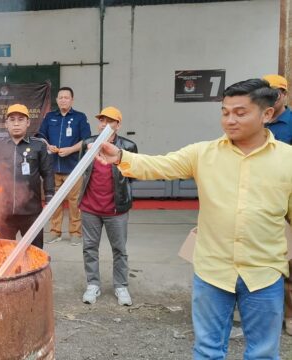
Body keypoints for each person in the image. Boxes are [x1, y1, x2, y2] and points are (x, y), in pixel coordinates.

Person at [94, 79, 291, 359]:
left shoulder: (287, 160)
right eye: (225, 112)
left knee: (264, 353)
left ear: (267, 114)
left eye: (240, 112)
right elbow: (160, 164)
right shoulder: (203, 153)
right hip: (212, 272)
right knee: (207, 351)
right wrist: (121, 157)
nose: (230, 120)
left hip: (264, 274)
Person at [78, 106, 137, 306]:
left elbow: (133, 175)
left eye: (110, 121)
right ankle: (93, 285)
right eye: (102, 120)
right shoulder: (88, 144)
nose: (104, 124)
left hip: (116, 209)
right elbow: (82, 171)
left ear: (118, 125)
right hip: (90, 208)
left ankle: (121, 286)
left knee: (119, 249)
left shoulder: (128, 146)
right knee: (89, 248)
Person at [0, 104, 54, 249]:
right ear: (6, 124)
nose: (16, 123)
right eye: (12, 120)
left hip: (31, 212)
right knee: (4, 254)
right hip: (4, 213)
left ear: (28, 122)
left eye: (21, 119)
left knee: (34, 253)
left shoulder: (39, 146)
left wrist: (49, 198)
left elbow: (48, 173)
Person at [37, 87, 91, 246]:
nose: (63, 100)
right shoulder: (49, 117)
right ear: (57, 100)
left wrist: (71, 150)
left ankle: (75, 232)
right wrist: (49, 146)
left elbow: (86, 141)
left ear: (72, 100)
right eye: (60, 97)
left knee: (75, 203)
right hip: (53, 168)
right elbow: (41, 136)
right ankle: (55, 232)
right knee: (54, 203)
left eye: (66, 97)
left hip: (74, 168)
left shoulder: (80, 118)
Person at [262, 74, 292, 337]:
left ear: (284, 95)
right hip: (257, 201)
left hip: (285, 201)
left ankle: (289, 315)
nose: (272, 95)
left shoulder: (290, 124)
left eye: (276, 92)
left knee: (288, 262)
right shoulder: (254, 121)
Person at [262, 74, 292, 144]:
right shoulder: (254, 119)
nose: (269, 98)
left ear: (284, 94)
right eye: (265, 94)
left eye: (274, 94)